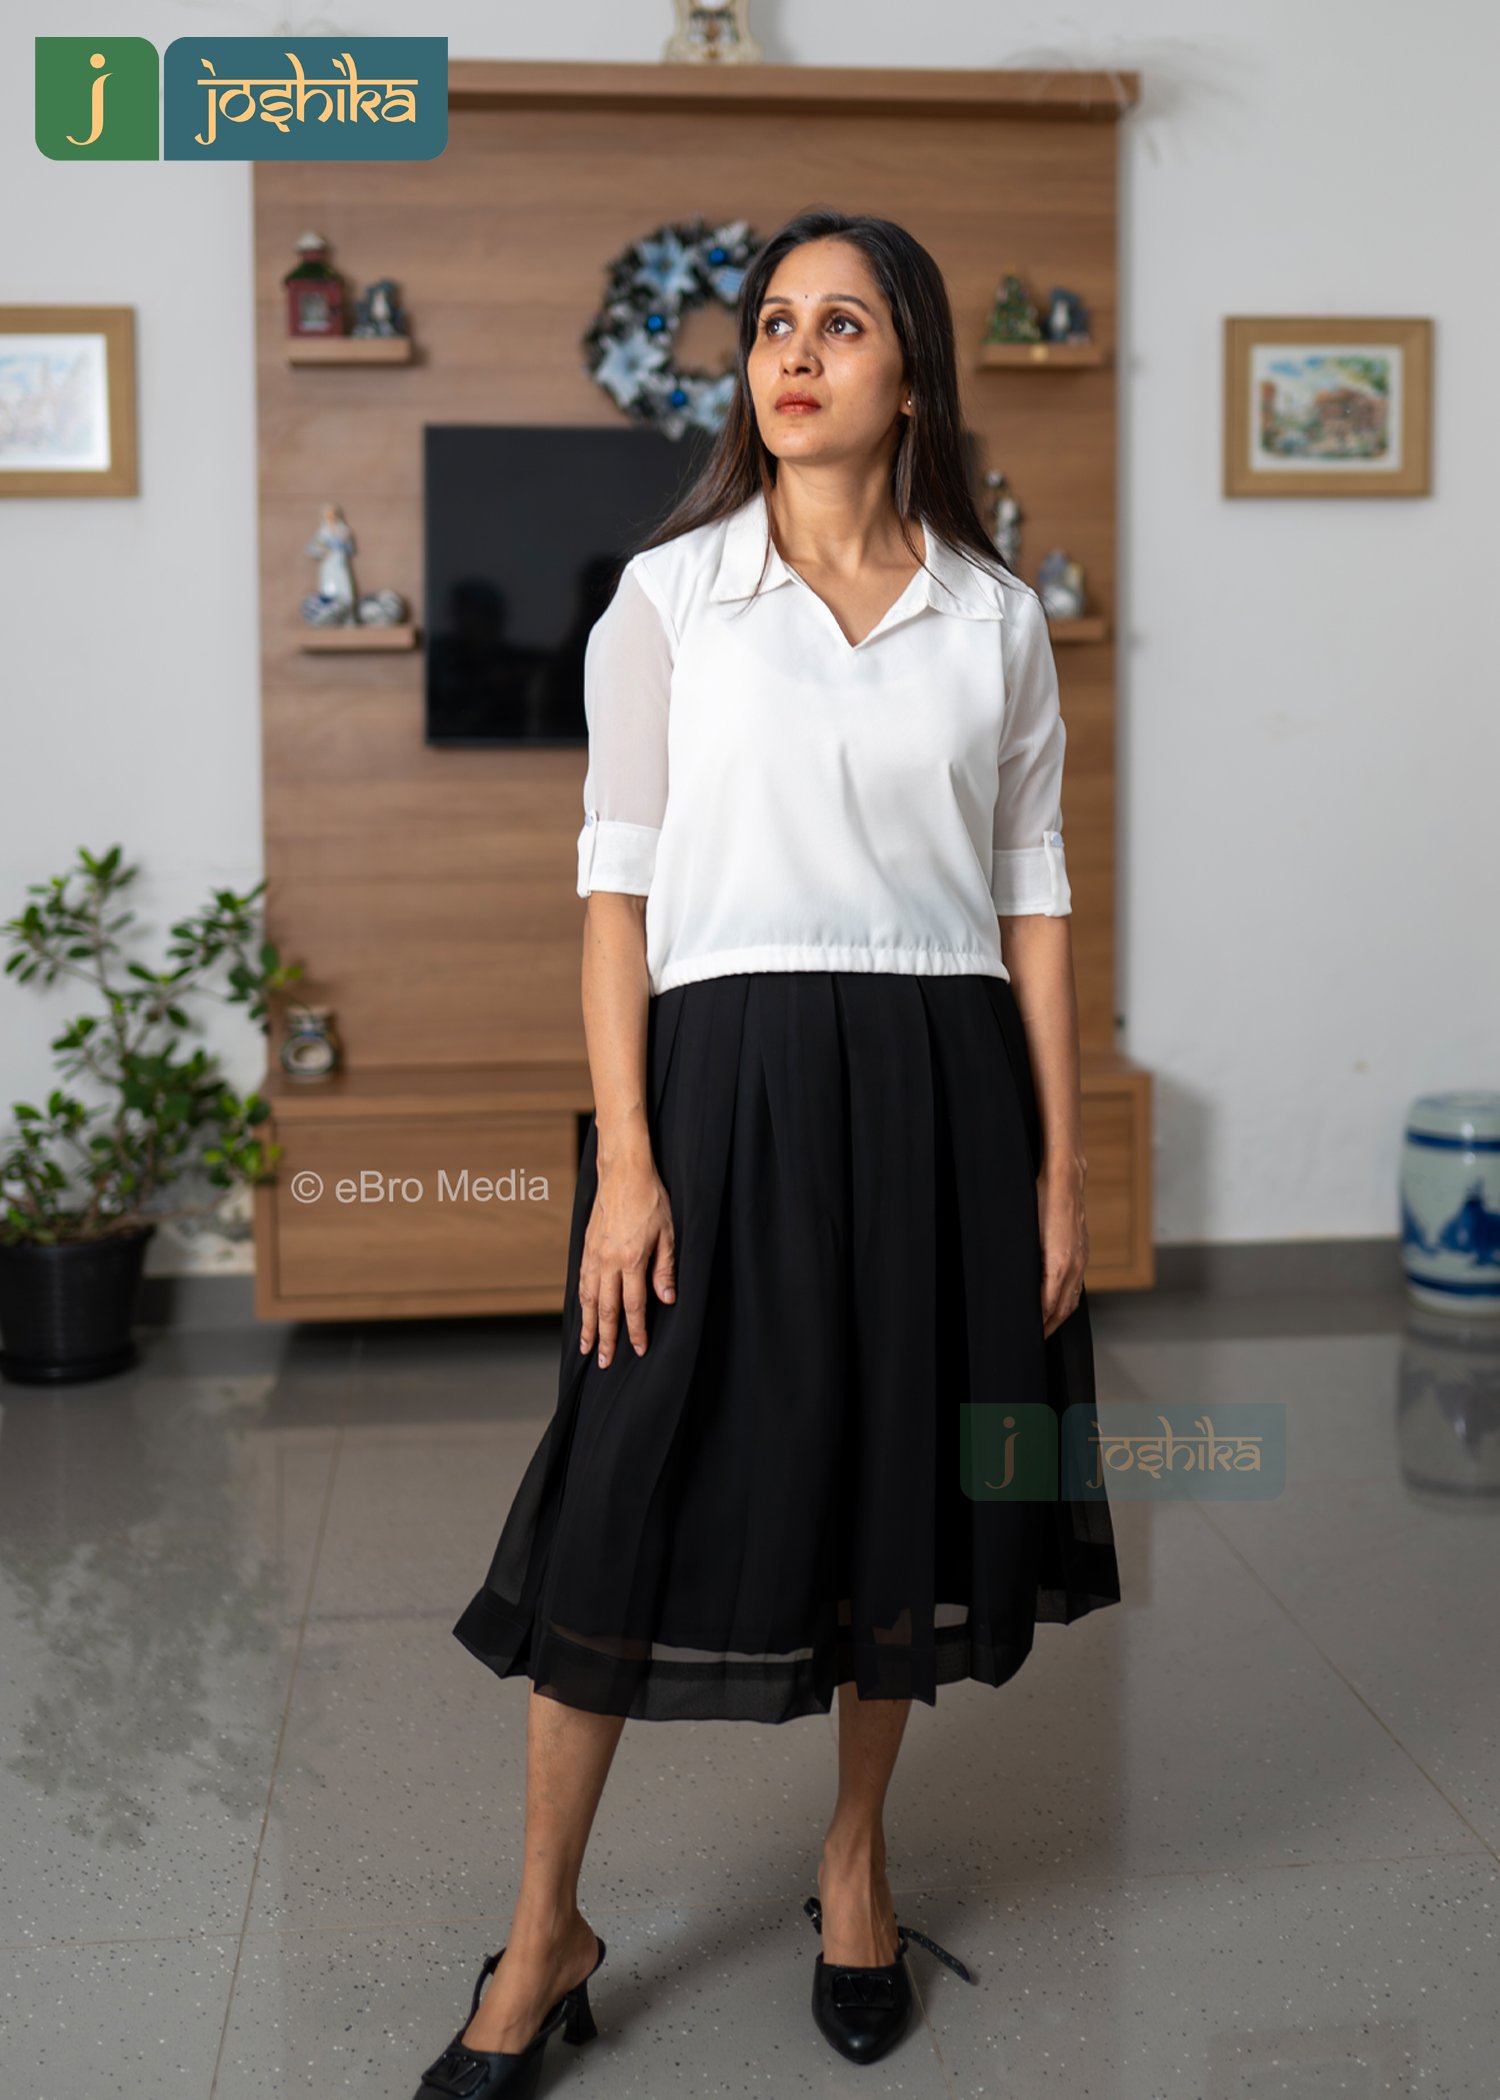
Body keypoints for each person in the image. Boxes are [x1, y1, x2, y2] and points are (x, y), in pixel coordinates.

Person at [415, 205, 1121, 2099]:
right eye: (774, 323)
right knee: (620, 1484)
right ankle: (546, 1928)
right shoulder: (667, 600)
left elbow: (1035, 903)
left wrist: (1058, 1177)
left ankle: (855, 1863)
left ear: (914, 376)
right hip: (716, 1087)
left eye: (843, 322)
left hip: (942, 1082)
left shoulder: (995, 619)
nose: (795, 352)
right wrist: (627, 1164)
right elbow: (615, 897)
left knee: (901, 1480)